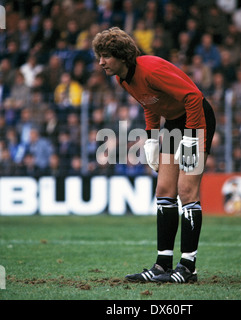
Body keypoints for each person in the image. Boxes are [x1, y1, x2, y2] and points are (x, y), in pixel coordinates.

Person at [92, 27, 216, 283]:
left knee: (186, 190)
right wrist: (151, 139)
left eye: (105, 56)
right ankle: (162, 265)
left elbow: (193, 97)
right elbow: (149, 103)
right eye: (99, 56)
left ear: (121, 56)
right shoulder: (122, 78)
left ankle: (188, 268)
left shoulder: (151, 70)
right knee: (164, 189)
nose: (100, 62)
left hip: (197, 119)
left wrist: (192, 138)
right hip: (173, 122)